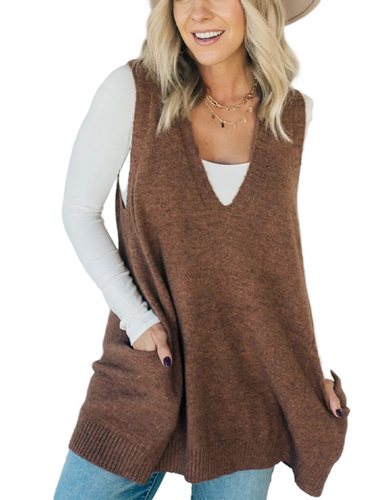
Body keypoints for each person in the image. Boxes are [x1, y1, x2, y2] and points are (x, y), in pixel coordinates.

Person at [55, 1, 350, 499]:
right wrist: (137, 320)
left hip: (249, 388)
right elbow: (79, 211)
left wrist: (303, 369)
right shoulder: (134, 92)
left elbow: (276, 271)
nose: (198, 12)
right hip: (149, 370)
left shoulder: (292, 115)